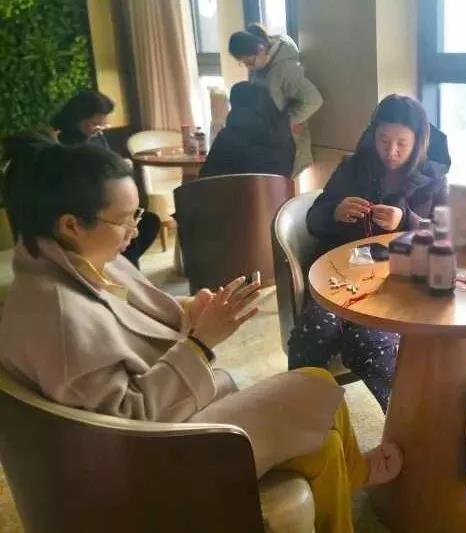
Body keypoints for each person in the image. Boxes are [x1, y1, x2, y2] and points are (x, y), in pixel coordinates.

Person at [0, 139, 402, 533]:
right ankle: (357, 469)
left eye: (136, 214)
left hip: (173, 418)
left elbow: (130, 316)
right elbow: (125, 423)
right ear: (71, 225)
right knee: (317, 387)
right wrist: (199, 343)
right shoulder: (56, 315)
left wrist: (191, 310)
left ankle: (351, 476)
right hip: (154, 454)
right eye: (123, 220)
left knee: (322, 434)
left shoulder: (77, 259)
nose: (134, 231)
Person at [288, 94, 450, 412]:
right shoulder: (352, 168)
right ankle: (299, 416)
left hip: (397, 286)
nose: (391, 151)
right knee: (315, 331)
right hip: (340, 276)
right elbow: (313, 219)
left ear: (419, 142)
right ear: (373, 134)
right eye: (383, 140)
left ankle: (406, 425)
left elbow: (444, 237)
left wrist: (405, 220)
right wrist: (335, 211)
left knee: (371, 342)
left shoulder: (434, 178)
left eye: (402, 143)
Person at [50, 89, 160, 269]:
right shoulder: (62, 143)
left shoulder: (97, 137)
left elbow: (108, 160)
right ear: (78, 117)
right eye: (94, 124)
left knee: (148, 222)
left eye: (102, 124)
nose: (98, 129)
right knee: (124, 231)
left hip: (109, 200)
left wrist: (120, 164)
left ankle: (124, 268)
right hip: (89, 206)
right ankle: (124, 269)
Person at [228, 24, 322, 177]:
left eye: (250, 63)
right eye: (244, 64)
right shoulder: (261, 67)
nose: (249, 68)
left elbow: (314, 100)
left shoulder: (286, 70)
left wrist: (288, 121)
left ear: (261, 49)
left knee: (283, 189)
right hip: (269, 143)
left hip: (287, 147)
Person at [199, 81, 295, 178]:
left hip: (235, 188)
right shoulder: (285, 140)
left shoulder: (226, 139)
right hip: (277, 188)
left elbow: (205, 179)